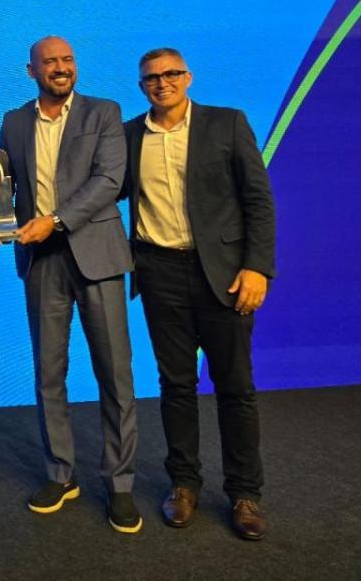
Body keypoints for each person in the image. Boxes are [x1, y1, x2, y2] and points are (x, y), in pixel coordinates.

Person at [122, 47, 276, 541]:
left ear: (187, 77)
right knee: (176, 386)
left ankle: (245, 494)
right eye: (151, 78)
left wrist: (257, 267)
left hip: (224, 276)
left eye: (170, 74)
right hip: (159, 271)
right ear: (142, 85)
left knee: (235, 387)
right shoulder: (128, 136)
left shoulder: (227, 124)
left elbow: (258, 199)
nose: (161, 83)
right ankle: (183, 484)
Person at [0, 36, 141, 533]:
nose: (60, 68)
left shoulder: (104, 112)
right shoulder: (14, 122)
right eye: (50, 62)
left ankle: (119, 484)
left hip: (95, 254)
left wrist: (54, 220)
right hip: (41, 261)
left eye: (67, 60)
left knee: (115, 373)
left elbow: (109, 182)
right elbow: (3, 187)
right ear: (31, 70)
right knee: (48, 373)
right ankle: (61, 473)